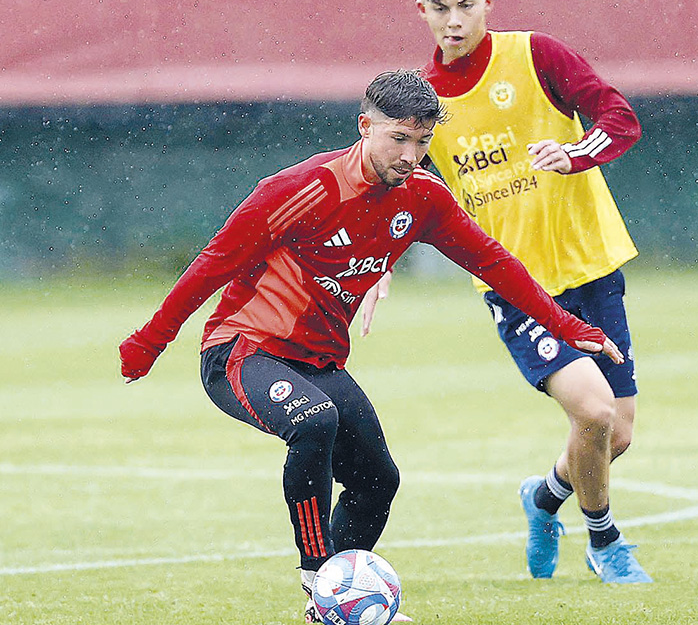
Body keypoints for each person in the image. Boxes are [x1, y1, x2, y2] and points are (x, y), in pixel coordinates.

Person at [118, 70, 623, 622]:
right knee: (314, 422)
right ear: (365, 127)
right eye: (399, 139)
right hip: (242, 350)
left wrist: (565, 325)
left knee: (378, 481)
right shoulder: (301, 189)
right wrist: (150, 341)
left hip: (320, 360)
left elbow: (493, 262)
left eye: (424, 141)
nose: (412, 154)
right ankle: (320, 582)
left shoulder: (424, 199)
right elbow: (214, 263)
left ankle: (329, 611)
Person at [371, 0, 649, 584]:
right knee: (595, 413)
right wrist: (375, 263)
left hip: (592, 269)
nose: (453, 21)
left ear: (488, 3)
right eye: (440, 9)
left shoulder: (537, 56)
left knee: (614, 435)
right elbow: (393, 184)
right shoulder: (422, 102)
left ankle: (544, 499)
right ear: (421, 12)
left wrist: (575, 152)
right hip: (515, 287)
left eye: (465, 5)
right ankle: (605, 541)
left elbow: (619, 118)